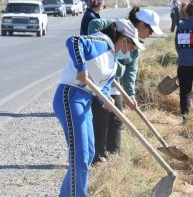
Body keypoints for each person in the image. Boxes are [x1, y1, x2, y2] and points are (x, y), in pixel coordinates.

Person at [52, 19, 144, 197]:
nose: (133, 49)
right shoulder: (101, 42)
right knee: (79, 156)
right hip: (70, 96)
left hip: (85, 100)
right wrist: (81, 67)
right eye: (133, 45)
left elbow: (102, 88)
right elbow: (74, 41)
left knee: (88, 153)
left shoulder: (113, 60)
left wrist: (107, 100)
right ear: (124, 39)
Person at [87, 6, 163, 162]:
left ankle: (114, 158)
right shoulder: (116, 28)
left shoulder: (136, 47)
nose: (150, 35)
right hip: (98, 84)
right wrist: (116, 23)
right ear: (141, 25)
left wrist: (130, 94)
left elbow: (130, 71)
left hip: (114, 86)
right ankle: (97, 159)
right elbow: (92, 26)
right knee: (101, 121)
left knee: (117, 120)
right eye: (150, 31)